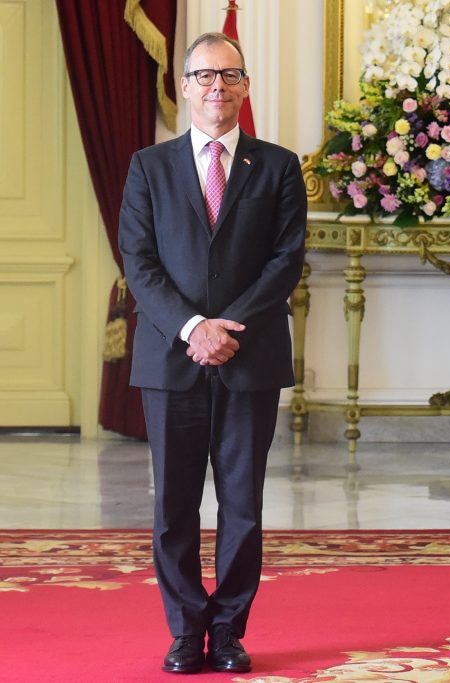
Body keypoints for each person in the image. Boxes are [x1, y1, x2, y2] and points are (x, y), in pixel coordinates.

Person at [119, 32, 306, 674]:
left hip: (249, 358)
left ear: (244, 85)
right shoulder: (149, 166)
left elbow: (286, 261)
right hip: (171, 358)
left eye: (227, 76)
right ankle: (183, 629)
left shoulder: (278, 166)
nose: (215, 88)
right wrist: (194, 326)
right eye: (202, 76)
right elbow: (139, 264)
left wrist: (228, 329)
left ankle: (228, 631)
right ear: (186, 85)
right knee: (173, 504)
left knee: (243, 503)